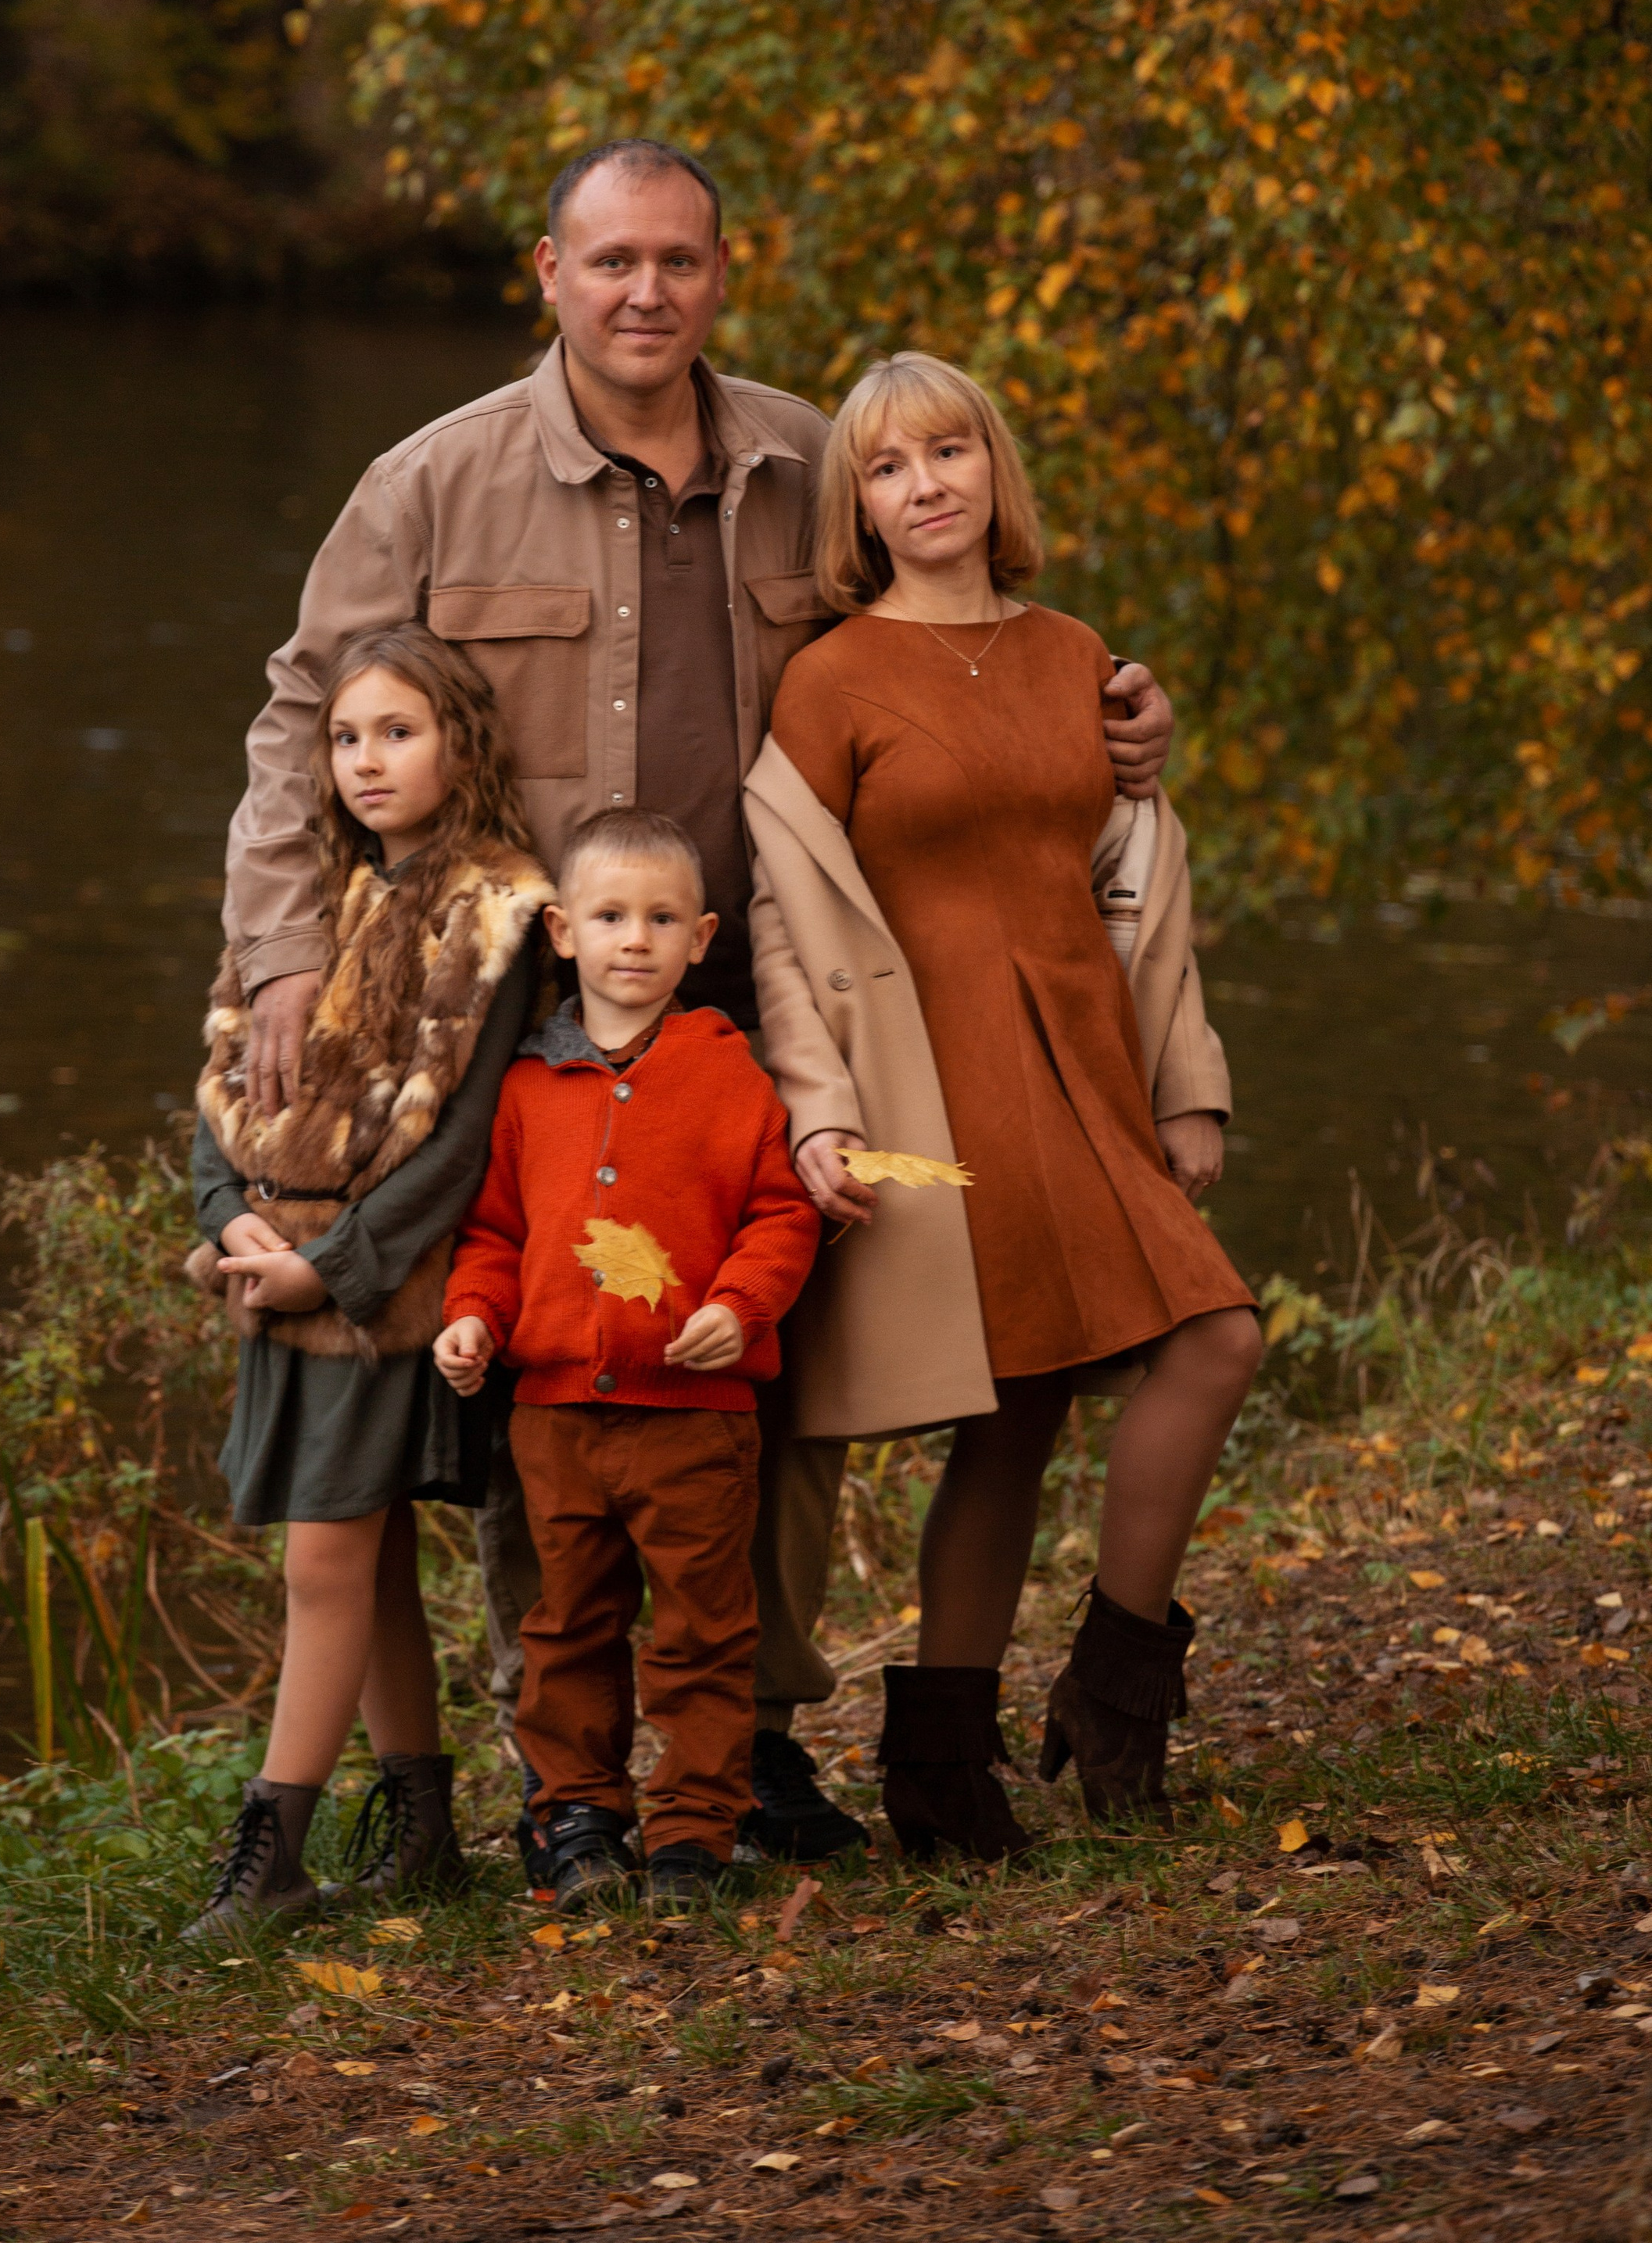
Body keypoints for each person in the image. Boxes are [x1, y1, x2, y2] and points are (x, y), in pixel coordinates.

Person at [220, 134, 1177, 1861]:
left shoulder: (809, 460)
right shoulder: (432, 484)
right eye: (610, 264)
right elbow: (308, 718)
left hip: (749, 990)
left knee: (762, 1370)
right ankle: (564, 1765)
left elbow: (952, 639)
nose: (644, 293)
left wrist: (1110, 728)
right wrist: (287, 950)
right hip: (507, 1002)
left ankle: (742, 1738)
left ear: (720, 274)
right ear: (548, 274)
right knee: (550, 1373)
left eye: (677, 261)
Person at [745, 353, 1261, 1854]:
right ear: (861, 505)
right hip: (935, 1074)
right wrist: (821, 1113)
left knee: (1208, 1341)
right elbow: (789, 917)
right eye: (890, 469)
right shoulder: (832, 677)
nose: (927, 487)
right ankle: (950, 1769)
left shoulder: (1081, 656)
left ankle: (1107, 1676)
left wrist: (1190, 1089)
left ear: (993, 470)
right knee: (1014, 1414)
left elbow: (1143, 881)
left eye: (950, 452)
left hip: (1085, 1060)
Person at [181, 624, 553, 1934]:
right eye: (345, 737)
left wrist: (327, 1272)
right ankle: (426, 1828)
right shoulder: (312, 901)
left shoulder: (499, 913)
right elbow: (224, 1084)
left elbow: (460, 1148)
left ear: (461, 741)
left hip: (380, 1293)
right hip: (278, 1277)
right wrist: (229, 1223)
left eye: (399, 732)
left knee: (326, 1565)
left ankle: (272, 1847)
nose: (367, 761)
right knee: (369, 1552)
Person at [432, 809, 819, 1904]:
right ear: (562, 932)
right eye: (609, 917)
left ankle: (695, 1830)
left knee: (702, 1627)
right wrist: (472, 1319)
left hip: (696, 1417)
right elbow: (496, 1235)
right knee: (567, 1628)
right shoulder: (524, 1087)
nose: (634, 940)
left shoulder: (730, 1076)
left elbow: (782, 1214)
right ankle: (579, 1823)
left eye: (660, 920)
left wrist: (740, 1308)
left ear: (702, 939)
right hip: (554, 1415)